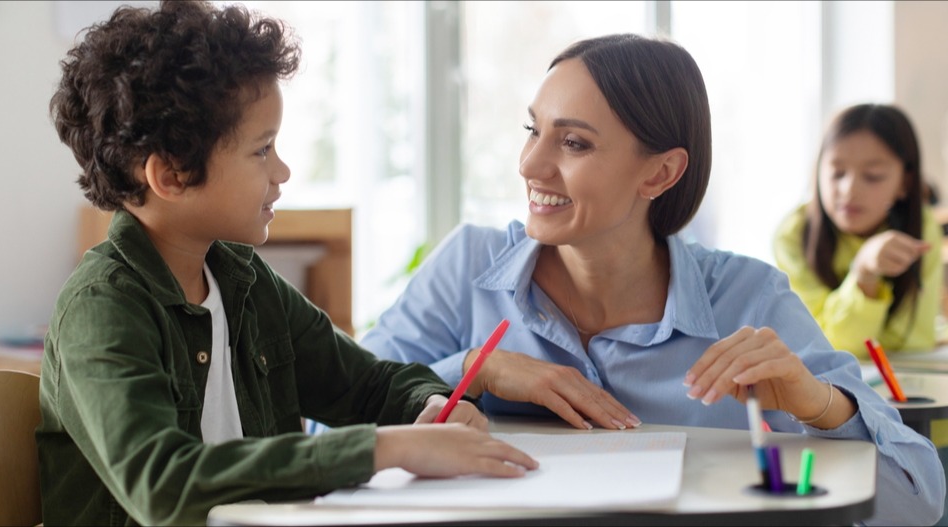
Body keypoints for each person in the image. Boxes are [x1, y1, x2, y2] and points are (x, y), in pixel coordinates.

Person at [359, 34, 945, 525]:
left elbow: (919, 500)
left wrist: (819, 405)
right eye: (531, 130)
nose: (530, 165)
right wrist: (470, 369)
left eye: (573, 142)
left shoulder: (747, 298)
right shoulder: (467, 268)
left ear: (661, 172)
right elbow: (319, 422)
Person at [38, 2, 536, 525]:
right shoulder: (103, 309)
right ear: (172, 175)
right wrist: (383, 450)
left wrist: (427, 405)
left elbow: (365, 384)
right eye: (262, 150)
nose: (283, 170)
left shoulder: (243, 280)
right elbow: (162, 484)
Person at [774, 103, 943, 358]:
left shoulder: (922, 227)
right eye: (837, 173)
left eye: (873, 176)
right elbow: (821, 345)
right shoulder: (794, 234)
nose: (849, 190)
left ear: (905, 182)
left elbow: (913, 341)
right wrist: (864, 273)